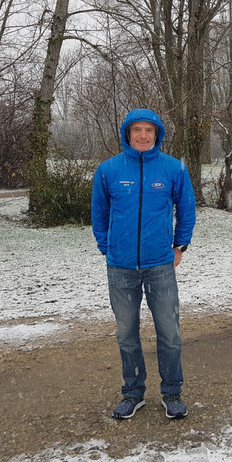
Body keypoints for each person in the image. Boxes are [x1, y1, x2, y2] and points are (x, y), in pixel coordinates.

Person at [91, 108, 196, 420]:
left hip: (160, 265)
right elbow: (99, 213)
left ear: (157, 134)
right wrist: (106, 246)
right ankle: (133, 392)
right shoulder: (108, 170)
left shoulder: (172, 168)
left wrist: (180, 245)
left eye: (149, 130)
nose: (143, 135)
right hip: (120, 268)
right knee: (127, 334)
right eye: (137, 129)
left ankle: (172, 392)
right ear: (127, 133)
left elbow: (186, 208)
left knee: (169, 333)